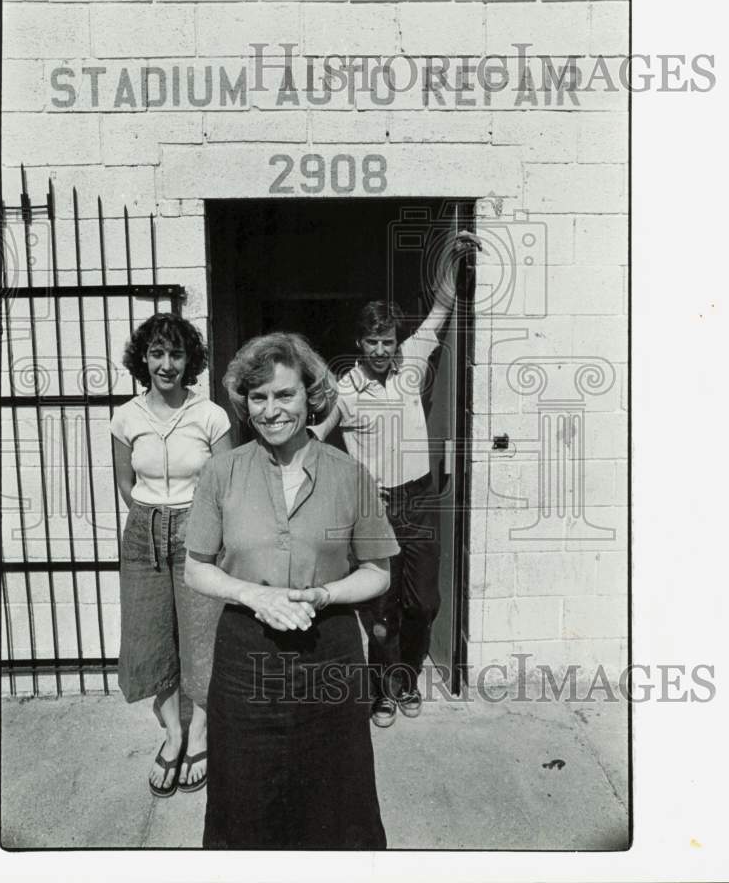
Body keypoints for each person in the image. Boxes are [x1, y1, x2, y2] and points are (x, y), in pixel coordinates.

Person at [184, 332, 398, 850]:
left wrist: (323, 594)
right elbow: (196, 569)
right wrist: (256, 596)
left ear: (310, 396)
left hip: (330, 655)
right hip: (244, 658)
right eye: (258, 398)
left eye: (284, 395)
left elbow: (378, 571)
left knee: (336, 800)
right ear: (244, 403)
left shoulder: (350, 475)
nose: (271, 410)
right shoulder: (222, 471)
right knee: (246, 800)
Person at [312, 230, 483, 728]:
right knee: (380, 613)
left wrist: (452, 259)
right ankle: (384, 691)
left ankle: (407, 678)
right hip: (375, 507)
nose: (382, 350)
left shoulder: (411, 361)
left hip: (419, 498)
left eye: (387, 341)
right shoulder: (346, 390)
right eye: (373, 342)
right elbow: (316, 440)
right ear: (359, 343)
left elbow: (442, 307)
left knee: (423, 604)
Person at [111, 313, 233, 798]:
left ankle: (199, 732)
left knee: (203, 634)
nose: (167, 364)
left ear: (190, 361)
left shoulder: (210, 416)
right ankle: (173, 733)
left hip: (197, 531)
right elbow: (126, 481)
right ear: (144, 358)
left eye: (176, 354)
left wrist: (200, 529)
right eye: (158, 353)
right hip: (143, 533)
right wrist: (149, 520)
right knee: (149, 635)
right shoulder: (126, 417)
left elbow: (225, 484)